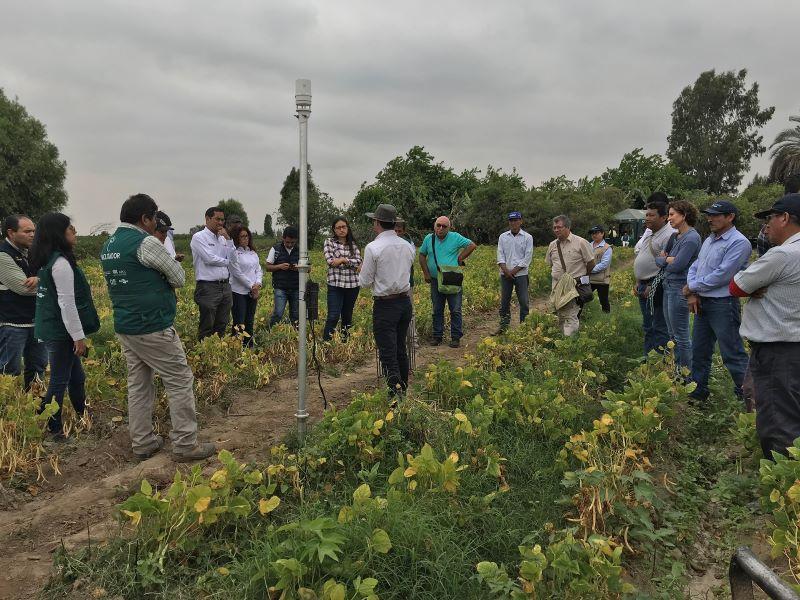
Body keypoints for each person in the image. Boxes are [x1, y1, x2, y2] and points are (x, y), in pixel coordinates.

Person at [101, 194, 215, 462]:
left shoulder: (109, 244)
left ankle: (142, 443)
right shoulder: (146, 242)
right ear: (145, 219)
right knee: (179, 380)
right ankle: (185, 444)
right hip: (152, 324)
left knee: (139, 385)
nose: (155, 224)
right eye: (154, 219)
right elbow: (178, 277)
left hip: (126, 325)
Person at [730, 193, 800, 457]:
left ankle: (783, 474)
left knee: (778, 420)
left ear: (785, 218)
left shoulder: (782, 255)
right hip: (792, 346)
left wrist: (755, 284)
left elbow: (736, 286)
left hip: (778, 350)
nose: (766, 225)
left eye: (770, 218)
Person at [31, 213, 100, 441]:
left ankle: (84, 414)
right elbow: (67, 303)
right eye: (70, 228)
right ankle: (54, 430)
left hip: (54, 328)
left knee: (76, 377)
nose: (74, 232)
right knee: (59, 380)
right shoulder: (60, 263)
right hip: (61, 331)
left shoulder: (49, 260)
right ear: (59, 234)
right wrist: (78, 337)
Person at [684, 200, 751, 403]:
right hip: (704, 301)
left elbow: (722, 275)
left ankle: (749, 399)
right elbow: (696, 266)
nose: (710, 219)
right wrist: (692, 288)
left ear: (730, 217)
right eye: (709, 215)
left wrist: (692, 287)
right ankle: (698, 393)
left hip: (723, 304)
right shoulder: (710, 239)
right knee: (699, 351)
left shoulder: (739, 243)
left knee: (732, 353)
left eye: (715, 215)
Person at [358, 204, 415, 396]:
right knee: (400, 349)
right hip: (404, 302)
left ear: (377, 223)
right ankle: (403, 391)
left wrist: (362, 271)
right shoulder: (407, 246)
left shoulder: (373, 247)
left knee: (388, 352)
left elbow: (365, 282)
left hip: (385, 305)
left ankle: (394, 395)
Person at [0, 215, 47, 390]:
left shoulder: (31, 253)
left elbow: (49, 273)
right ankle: (7, 404)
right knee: (9, 371)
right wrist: (48, 282)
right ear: (11, 233)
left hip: (36, 322)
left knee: (38, 368)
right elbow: (24, 288)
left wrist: (40, 278)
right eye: (27, 231)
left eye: (34, 231)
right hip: (12, 324)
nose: (32, 235)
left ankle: (36, 403)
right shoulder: (3, 255)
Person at [654, 200, 701, 374]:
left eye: (672, 214)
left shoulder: (692, 238)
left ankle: (685, 375)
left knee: (681, 336)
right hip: (668, 286)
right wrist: (667, 260)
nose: (669, 218)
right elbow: (659, 259)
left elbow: (678, 266)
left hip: (679, 288)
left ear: (684, 215)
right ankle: (676, 371)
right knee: (672, 334)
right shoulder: (675, 237)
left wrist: (666, 260)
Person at [418, 216, 477, 348]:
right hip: (435, 279)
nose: (440, 228)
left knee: (455, 309)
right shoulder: (429, 238)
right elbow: (422, 255)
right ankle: (437, 336)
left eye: (444, 226)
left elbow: (472, 245)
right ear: (434, 225)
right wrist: (426, 273)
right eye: (438, 225)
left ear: (449, 228)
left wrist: (460, 257)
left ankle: (455, 337)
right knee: (437, 309)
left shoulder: (455, 237)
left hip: (452, 278)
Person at [633, 197, 676, 355]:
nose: (647, 218)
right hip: (643, 285)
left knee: (659, 327)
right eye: (647, 215)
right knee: (648, 326)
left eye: (652, 215)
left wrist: (652, 285)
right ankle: (648, 360)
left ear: (663, 217)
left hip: (656, 287)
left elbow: (668, 265)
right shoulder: (651, 233)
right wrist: (639, 280)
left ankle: (660, 361)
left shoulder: (669, 235)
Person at [545, 215, 595, 336]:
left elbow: (591, 263)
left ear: (567, 227)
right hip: (557, 286)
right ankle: (563, 338)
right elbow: (550, 263)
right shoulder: (552, 245)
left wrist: (582, 276)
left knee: (571, 315)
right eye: (554, 228)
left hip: (573, 286)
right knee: (560, 314)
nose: (556, 230)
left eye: (559, 227)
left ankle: (570, 342)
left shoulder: (581, 242)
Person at [191, 207, 234, 339]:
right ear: (207, 219)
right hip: (208, 287)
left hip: (225, 286)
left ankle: (217, 349)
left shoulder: (223, 239)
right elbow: (209, 259)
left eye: (222, 220)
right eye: (217, 219)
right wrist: (228, 262)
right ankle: (204, 350)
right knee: (207, 324)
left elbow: (234, 257)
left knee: (222, 323)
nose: (220, 223)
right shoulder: (199, 237)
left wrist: (228, 239)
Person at [322, 217, 362, 341]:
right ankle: (326, 344)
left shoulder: (353, 244)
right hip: (335, 285)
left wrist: (343, 260)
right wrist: (350, 262)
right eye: (338, 228)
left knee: (347, 316)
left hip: (352, 285)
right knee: (333, 316)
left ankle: (345, 342)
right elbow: (331, 261)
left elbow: (359, 262)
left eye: (343, 227)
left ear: (347, 228)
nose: (341, 230)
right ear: (334, 230)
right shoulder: (329, 242)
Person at [496, 211, 533, 334]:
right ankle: (503, 327)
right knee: (504, 302)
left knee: (524, 301)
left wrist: (513, 271)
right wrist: (506, 271)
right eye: (511, 220)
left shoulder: (527, 237)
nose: (513, 223)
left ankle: (524, 327)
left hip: (521, 274)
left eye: (516, 220)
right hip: (505, 274)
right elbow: (500, 255)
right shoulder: (503, 237)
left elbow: (527, 257)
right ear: (509, 222)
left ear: (521, 221)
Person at [228, 224, 262, 347]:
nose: (245, 238)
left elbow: (258, 270)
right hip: (238, 292)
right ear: (236, 238)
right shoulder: (234, 253)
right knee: (239, 322)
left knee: (249, 321)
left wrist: (258, 284)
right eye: (242, 236)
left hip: (252, 292)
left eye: (247, 236)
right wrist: (252, 286)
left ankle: (249, 346)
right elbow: (237, 273)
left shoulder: (252, 253)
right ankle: (236, 347)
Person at [266, 226, 300, 327]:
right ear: (283, 238)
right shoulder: (275, 249)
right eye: (287, 242)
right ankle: (271, 331)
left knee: (295, 315)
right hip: (280, 287)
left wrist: (299, 268)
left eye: (292, 242)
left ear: (296, 240)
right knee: (278, 313)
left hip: (296, 287)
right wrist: (279, 266)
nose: (289, 245)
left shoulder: (301, 250)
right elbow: (267, 267)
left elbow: (309, 268)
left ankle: (295, 333)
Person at [394, 218, 419, 349]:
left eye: (400, 231)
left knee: (410, 311)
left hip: (407, 282)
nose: (397, 233)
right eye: (395, 231)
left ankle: (413, 340)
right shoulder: (387, 243)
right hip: (392, 284)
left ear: (404, 231)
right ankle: (398, 341)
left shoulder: (409, 244)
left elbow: (409, 262)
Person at [588, 225, 613, 313]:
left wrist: (589, 270)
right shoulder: (588, 245)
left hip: (602, 280)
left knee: (603, 300)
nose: (594, 235)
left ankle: (606, 317)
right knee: (582, 297)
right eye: (592, 233)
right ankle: (580, 315)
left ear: (602, 234)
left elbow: (604, 264)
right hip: (588, 279)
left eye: (596, 233)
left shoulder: (607, 248)